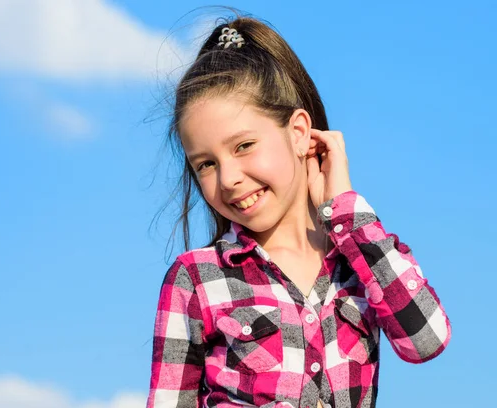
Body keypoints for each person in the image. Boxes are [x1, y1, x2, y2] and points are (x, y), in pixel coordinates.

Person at [147, 15, 451, 408]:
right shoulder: (195, 279)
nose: (228, 179)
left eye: (243, 146)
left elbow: (426, 339)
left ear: (299, 132)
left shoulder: (359, 265)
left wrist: (344, 210)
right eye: (205, 164)